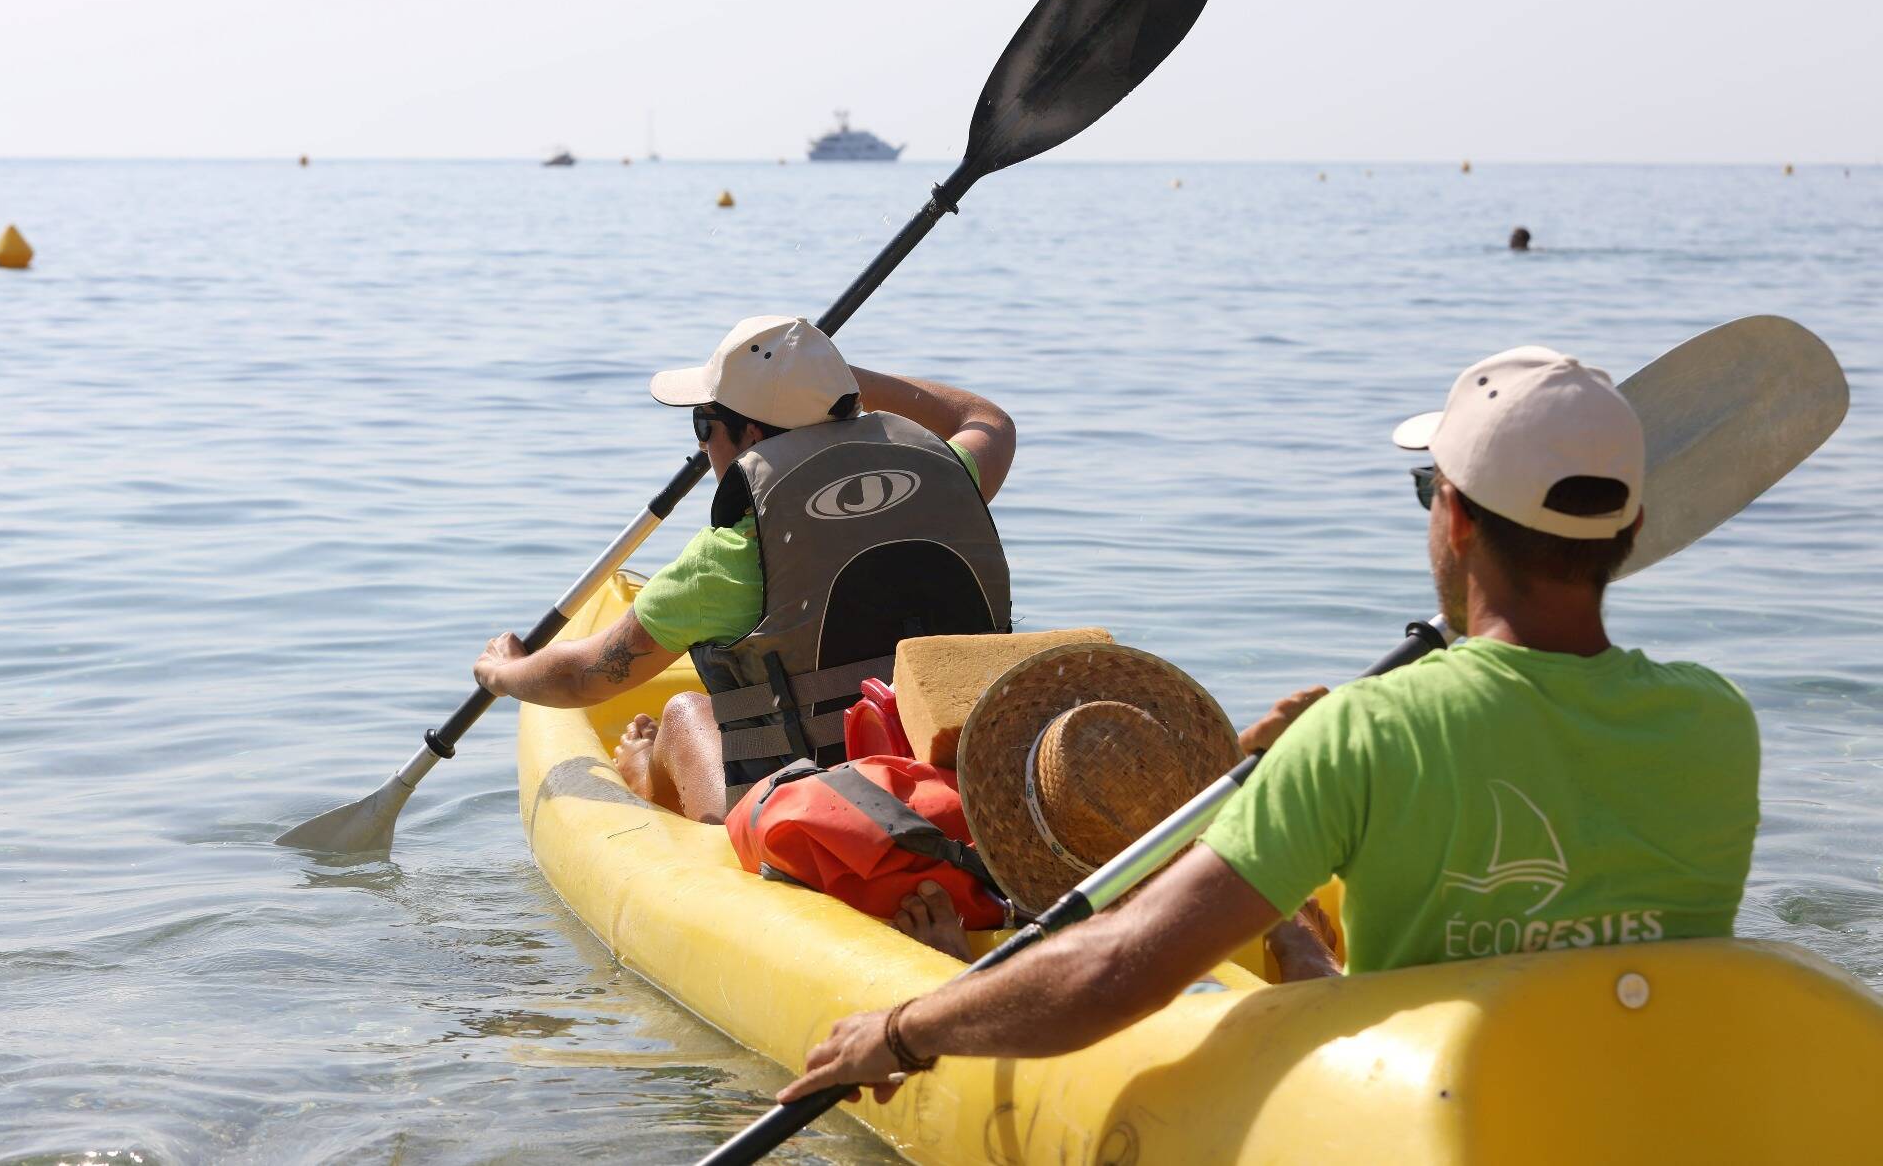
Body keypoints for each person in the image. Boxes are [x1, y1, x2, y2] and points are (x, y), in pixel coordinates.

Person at [778, 344, 1759, 1106]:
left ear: (1452, 516)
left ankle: (1273, 947)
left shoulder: (1370, 730)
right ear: (1629, 532)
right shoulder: (1718, 721)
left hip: (1428, 1113)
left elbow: (1119, 970)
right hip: (1641, 1098)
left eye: (1429, 492)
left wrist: (901, 1030)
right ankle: (1297, 948)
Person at [474, 314, 1016, 824]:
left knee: (687, 711)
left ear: (751, 436)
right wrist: (834, 379)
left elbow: (583, 677)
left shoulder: (727, 558)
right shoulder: (953, 479)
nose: (703, 444)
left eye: (704, 425)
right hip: (952, 767)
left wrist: (505, 674)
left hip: (813, 807)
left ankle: (648, 773)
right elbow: (985, 419)